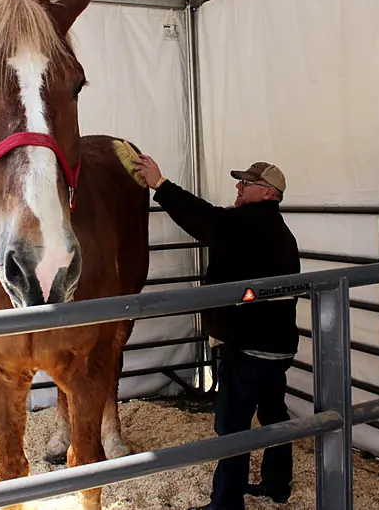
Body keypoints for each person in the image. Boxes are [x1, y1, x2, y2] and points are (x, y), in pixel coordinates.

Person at [133, 156, 301, 510]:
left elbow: (206, 220)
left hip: (249, 346)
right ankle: (277, 482)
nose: (238, 187)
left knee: (232, 423)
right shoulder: (278, 229)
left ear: (268, 193)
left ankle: (226, 502)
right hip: (278, 345)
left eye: (247, 183)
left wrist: (160, 185)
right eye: (240, 181)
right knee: (274, 414)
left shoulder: (249, 223)